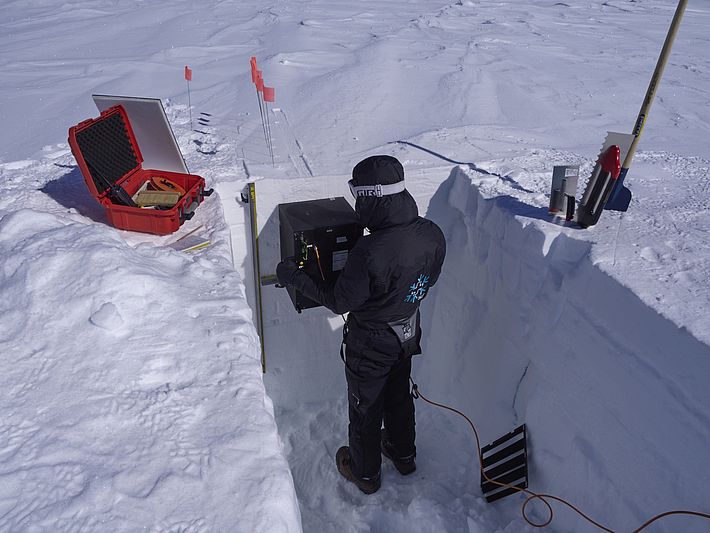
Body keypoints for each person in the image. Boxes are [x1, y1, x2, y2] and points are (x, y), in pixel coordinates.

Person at [276, 155, 446, 494]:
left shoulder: (370, 250)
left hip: (371, 342)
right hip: (407, 330)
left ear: (371, 197)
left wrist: (293, 277)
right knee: (398, 393)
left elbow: (340, 301)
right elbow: (429, 280)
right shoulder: (432, 233)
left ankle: (365, 473)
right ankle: (403, 453)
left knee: (365, 406)